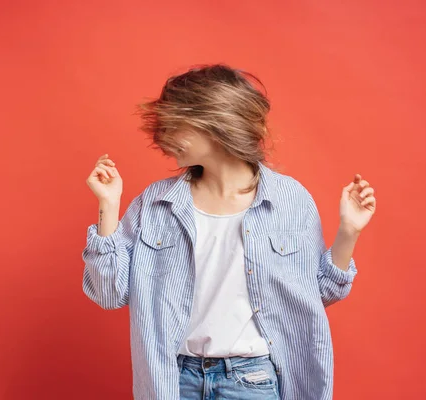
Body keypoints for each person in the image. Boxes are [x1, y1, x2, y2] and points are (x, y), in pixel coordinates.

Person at [82, 64, 376, 400]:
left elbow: (318, 293)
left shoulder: (289, 200)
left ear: (213, 121)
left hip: (253, 382)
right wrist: (108, 205)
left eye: (173, 124)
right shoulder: (156, 203)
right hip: (173, 382)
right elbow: (108, 293)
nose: (162, 137)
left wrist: (348, 233)